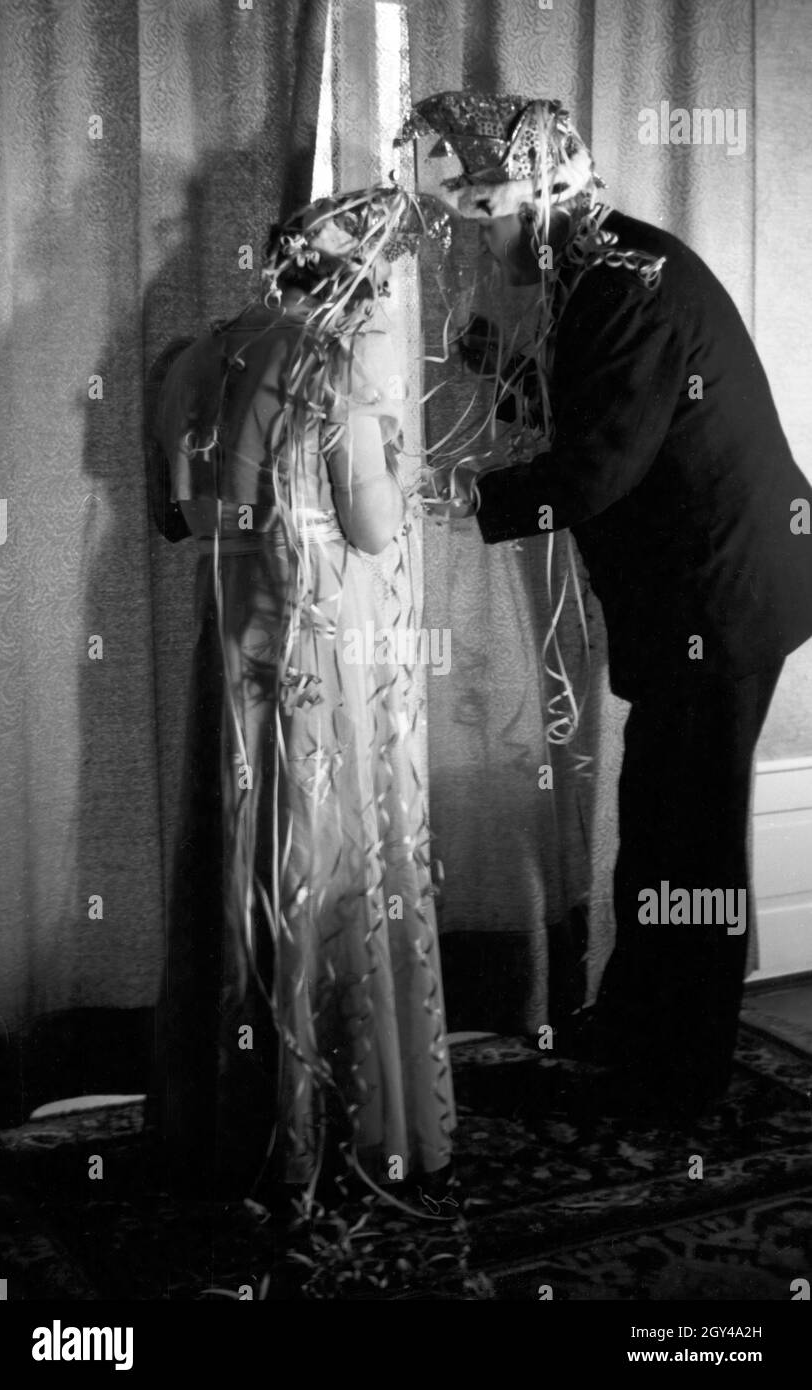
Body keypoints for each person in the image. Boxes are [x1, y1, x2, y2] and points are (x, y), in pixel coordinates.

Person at [399, 92, 812, 1118]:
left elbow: (594, 469)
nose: (472, 235)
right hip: (699, 590)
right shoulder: (597, 270)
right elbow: (590, 394)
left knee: (691, 837)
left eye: (482, 214)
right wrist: (497, 369)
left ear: (537, 197)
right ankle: (634, 1020)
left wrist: (445, 494)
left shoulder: (626, 284)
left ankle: (678, 1077)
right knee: (657, 814)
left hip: (724, 594)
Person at [145, 186, 455, 1199]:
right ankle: (316, 1125)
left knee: (236, 850)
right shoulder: (332, 363)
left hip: (231, 645)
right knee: (316, 859)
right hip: (316, 648)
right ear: (362, 279)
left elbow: (181, 518)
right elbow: (371, 528)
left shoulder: (197, 354)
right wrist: (400, 468)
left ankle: (225, 1115)